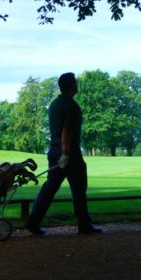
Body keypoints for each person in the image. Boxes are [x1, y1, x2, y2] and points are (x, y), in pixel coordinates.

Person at [25, 72, 102, 235]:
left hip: (53, 150)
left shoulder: (54, 104)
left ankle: (33, 221)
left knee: (49, 188)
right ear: (73, 85)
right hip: (69, 152)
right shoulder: (72, 106)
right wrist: (66, 154)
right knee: (79, 188)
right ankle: (84, 225)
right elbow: (67, 131)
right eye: (75, 83)